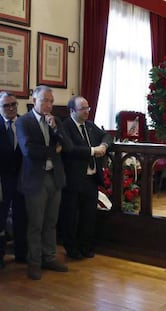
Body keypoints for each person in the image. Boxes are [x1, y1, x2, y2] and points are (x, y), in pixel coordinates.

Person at [16, 85, 73, 280]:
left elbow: (68, 147)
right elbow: (29, 151)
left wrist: (56, 129)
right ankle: (34, 263)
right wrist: (53, 151)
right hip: (35, 179)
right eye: (44, 100)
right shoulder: (24, 122)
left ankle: (49, 257)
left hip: (54, 178)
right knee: (36, 224)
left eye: (51, 101)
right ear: (34, 100)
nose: (48, 104)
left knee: (51, 222)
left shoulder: (56, 120)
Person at [60, 96, 112, 260]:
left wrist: (103, 146)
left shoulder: (89, 126)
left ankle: (85, 246)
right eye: (83, 109)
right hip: (74, 180)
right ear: (72, 111)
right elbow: (71, 149)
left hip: (90, 179)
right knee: (71, 217)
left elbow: (107, 136)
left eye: (88, 108)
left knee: (88, 216)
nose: (87, 111)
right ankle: (72, 249)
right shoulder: (66, 126)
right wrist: (92, 151)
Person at [0, 92, 27, 269]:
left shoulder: (25, 123)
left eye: (14, 105)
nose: (10, 108)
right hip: (2, 180)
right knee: (0, 218)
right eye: (6, 106)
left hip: (22, 178)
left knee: (22, 217)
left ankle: (21, 254)